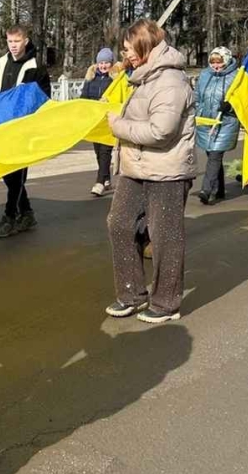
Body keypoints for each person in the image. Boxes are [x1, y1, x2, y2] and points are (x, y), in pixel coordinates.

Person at [105, 19, 195, 323]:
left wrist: (118, 126)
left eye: (129, 47)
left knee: (165, 236)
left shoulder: (170, 81)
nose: (125, 53)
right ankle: (131, 294)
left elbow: (162, 131)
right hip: (136, 167)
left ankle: (166, 303)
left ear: (145, 46)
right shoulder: (143, 78)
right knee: (119, 224)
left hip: (167, 170)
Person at [0, 25, 51, 238]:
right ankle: (27, 212)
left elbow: (43, 99)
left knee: (17, 174)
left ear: (26, 40)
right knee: (7, 173)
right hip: (1, 126)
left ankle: (10, 216)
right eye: (9, 42)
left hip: (23, 129)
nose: (13, 46)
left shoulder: (36, 68)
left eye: (17, 41)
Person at [194, 46, 239, 205]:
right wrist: (198, 110)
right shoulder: (205, 75)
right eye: (213, 62)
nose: (216, 66)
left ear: (226, 60)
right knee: (211, 154)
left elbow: (243, 101)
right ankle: (219, 188)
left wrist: (231, 107)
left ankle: (206, 190)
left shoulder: (236, 76)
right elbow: (197, 96)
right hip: (206, 121)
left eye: (219, 62)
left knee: (215, 155)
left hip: (225, 122)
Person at [81, 47, 117, 196]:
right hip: (95, 121)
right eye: (100, 63)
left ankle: (100, 182)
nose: (103, 66)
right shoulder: (90, 78)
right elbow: (84, 97)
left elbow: (118, 97)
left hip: (108, 120)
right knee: (97, 151)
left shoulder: (115, 80)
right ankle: (106, 177)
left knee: (105, 151)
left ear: (111, 64)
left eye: (106, 63)